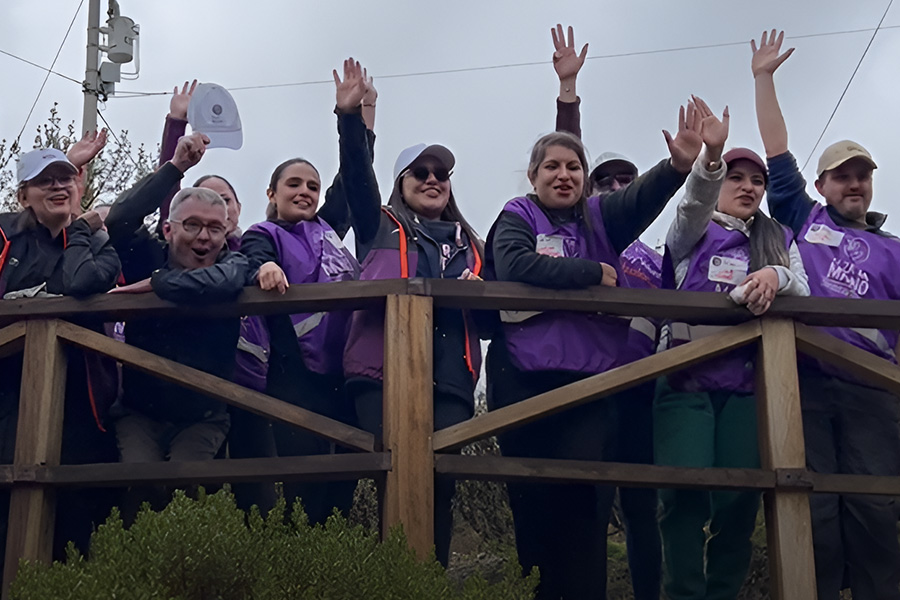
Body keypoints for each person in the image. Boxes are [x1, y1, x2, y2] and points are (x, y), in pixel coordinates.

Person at [485, 99, 702, 599]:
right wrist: (590, 273)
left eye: (574, 167)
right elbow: (516, 265)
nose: (564, 176)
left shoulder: (601, 217)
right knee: (532, 510)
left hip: (588, 387)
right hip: (522, 383)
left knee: (585, 511)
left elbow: (640, 197)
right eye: (553, 167)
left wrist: (677, 166)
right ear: (534, 176)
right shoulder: (517, 215)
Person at [752, 29, 900, 599]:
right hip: (803, 378)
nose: (854, 183)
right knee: (811, 505)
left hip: (871, 389)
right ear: (822, 185)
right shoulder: (802, 214)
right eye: (843, 175)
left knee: (875, 509)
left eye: (862, 174)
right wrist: (764, 78)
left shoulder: (893, 249)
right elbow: (776, 149)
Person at [654, 96, 809, 600]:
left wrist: (773, 273)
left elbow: (803, 287)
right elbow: (693, 202)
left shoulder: (779, 236)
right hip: (684, 381)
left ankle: (723, 593)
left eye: (755, 181)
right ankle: (683, 595)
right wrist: (710, 158)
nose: (746, 187)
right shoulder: (691, 231)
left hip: (747, 387)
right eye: (735, 178)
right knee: (683, 496)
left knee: (740, 501)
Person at [549, 23, 663, 598]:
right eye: (605, 180)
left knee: (646, 510)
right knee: (588, 507)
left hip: (644, 391)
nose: (615, 185)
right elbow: (565, 156)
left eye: (626, 180)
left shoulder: (653, 250)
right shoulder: (587, 230)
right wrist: (569, 94)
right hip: (587, 388)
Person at [238, 58, 376, 526]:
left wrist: (355, 117)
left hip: (344, 371)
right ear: (272, 192)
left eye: (312, 186)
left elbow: (355, 175)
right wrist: (268, 267)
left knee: (342, 487)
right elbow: (249, 255)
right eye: (293, 184)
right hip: (293, 374)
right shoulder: (264, 232)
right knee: (303, 488)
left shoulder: (329, 228)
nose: (305, 192)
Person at [105, 134, 253, 522]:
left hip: (203, 413)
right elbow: (119, 221)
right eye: (191, 225)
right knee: (142, 489)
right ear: (168, 230)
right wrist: (175, 167)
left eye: (214, 229)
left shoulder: (234, 264)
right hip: (140, 410)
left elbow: (223, 282)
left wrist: (158, 284)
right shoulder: (147, 255)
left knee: (190, 493)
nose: (204, 237)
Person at [0, 143, 121, 565]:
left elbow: (82, 282)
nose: (56, 186)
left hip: (80, 402)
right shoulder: (3, 234)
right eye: (43, 180)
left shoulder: (93, 241)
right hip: (6, 396)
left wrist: (176, 161)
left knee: (73, 525)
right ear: (22, 195)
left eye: (65, 178)